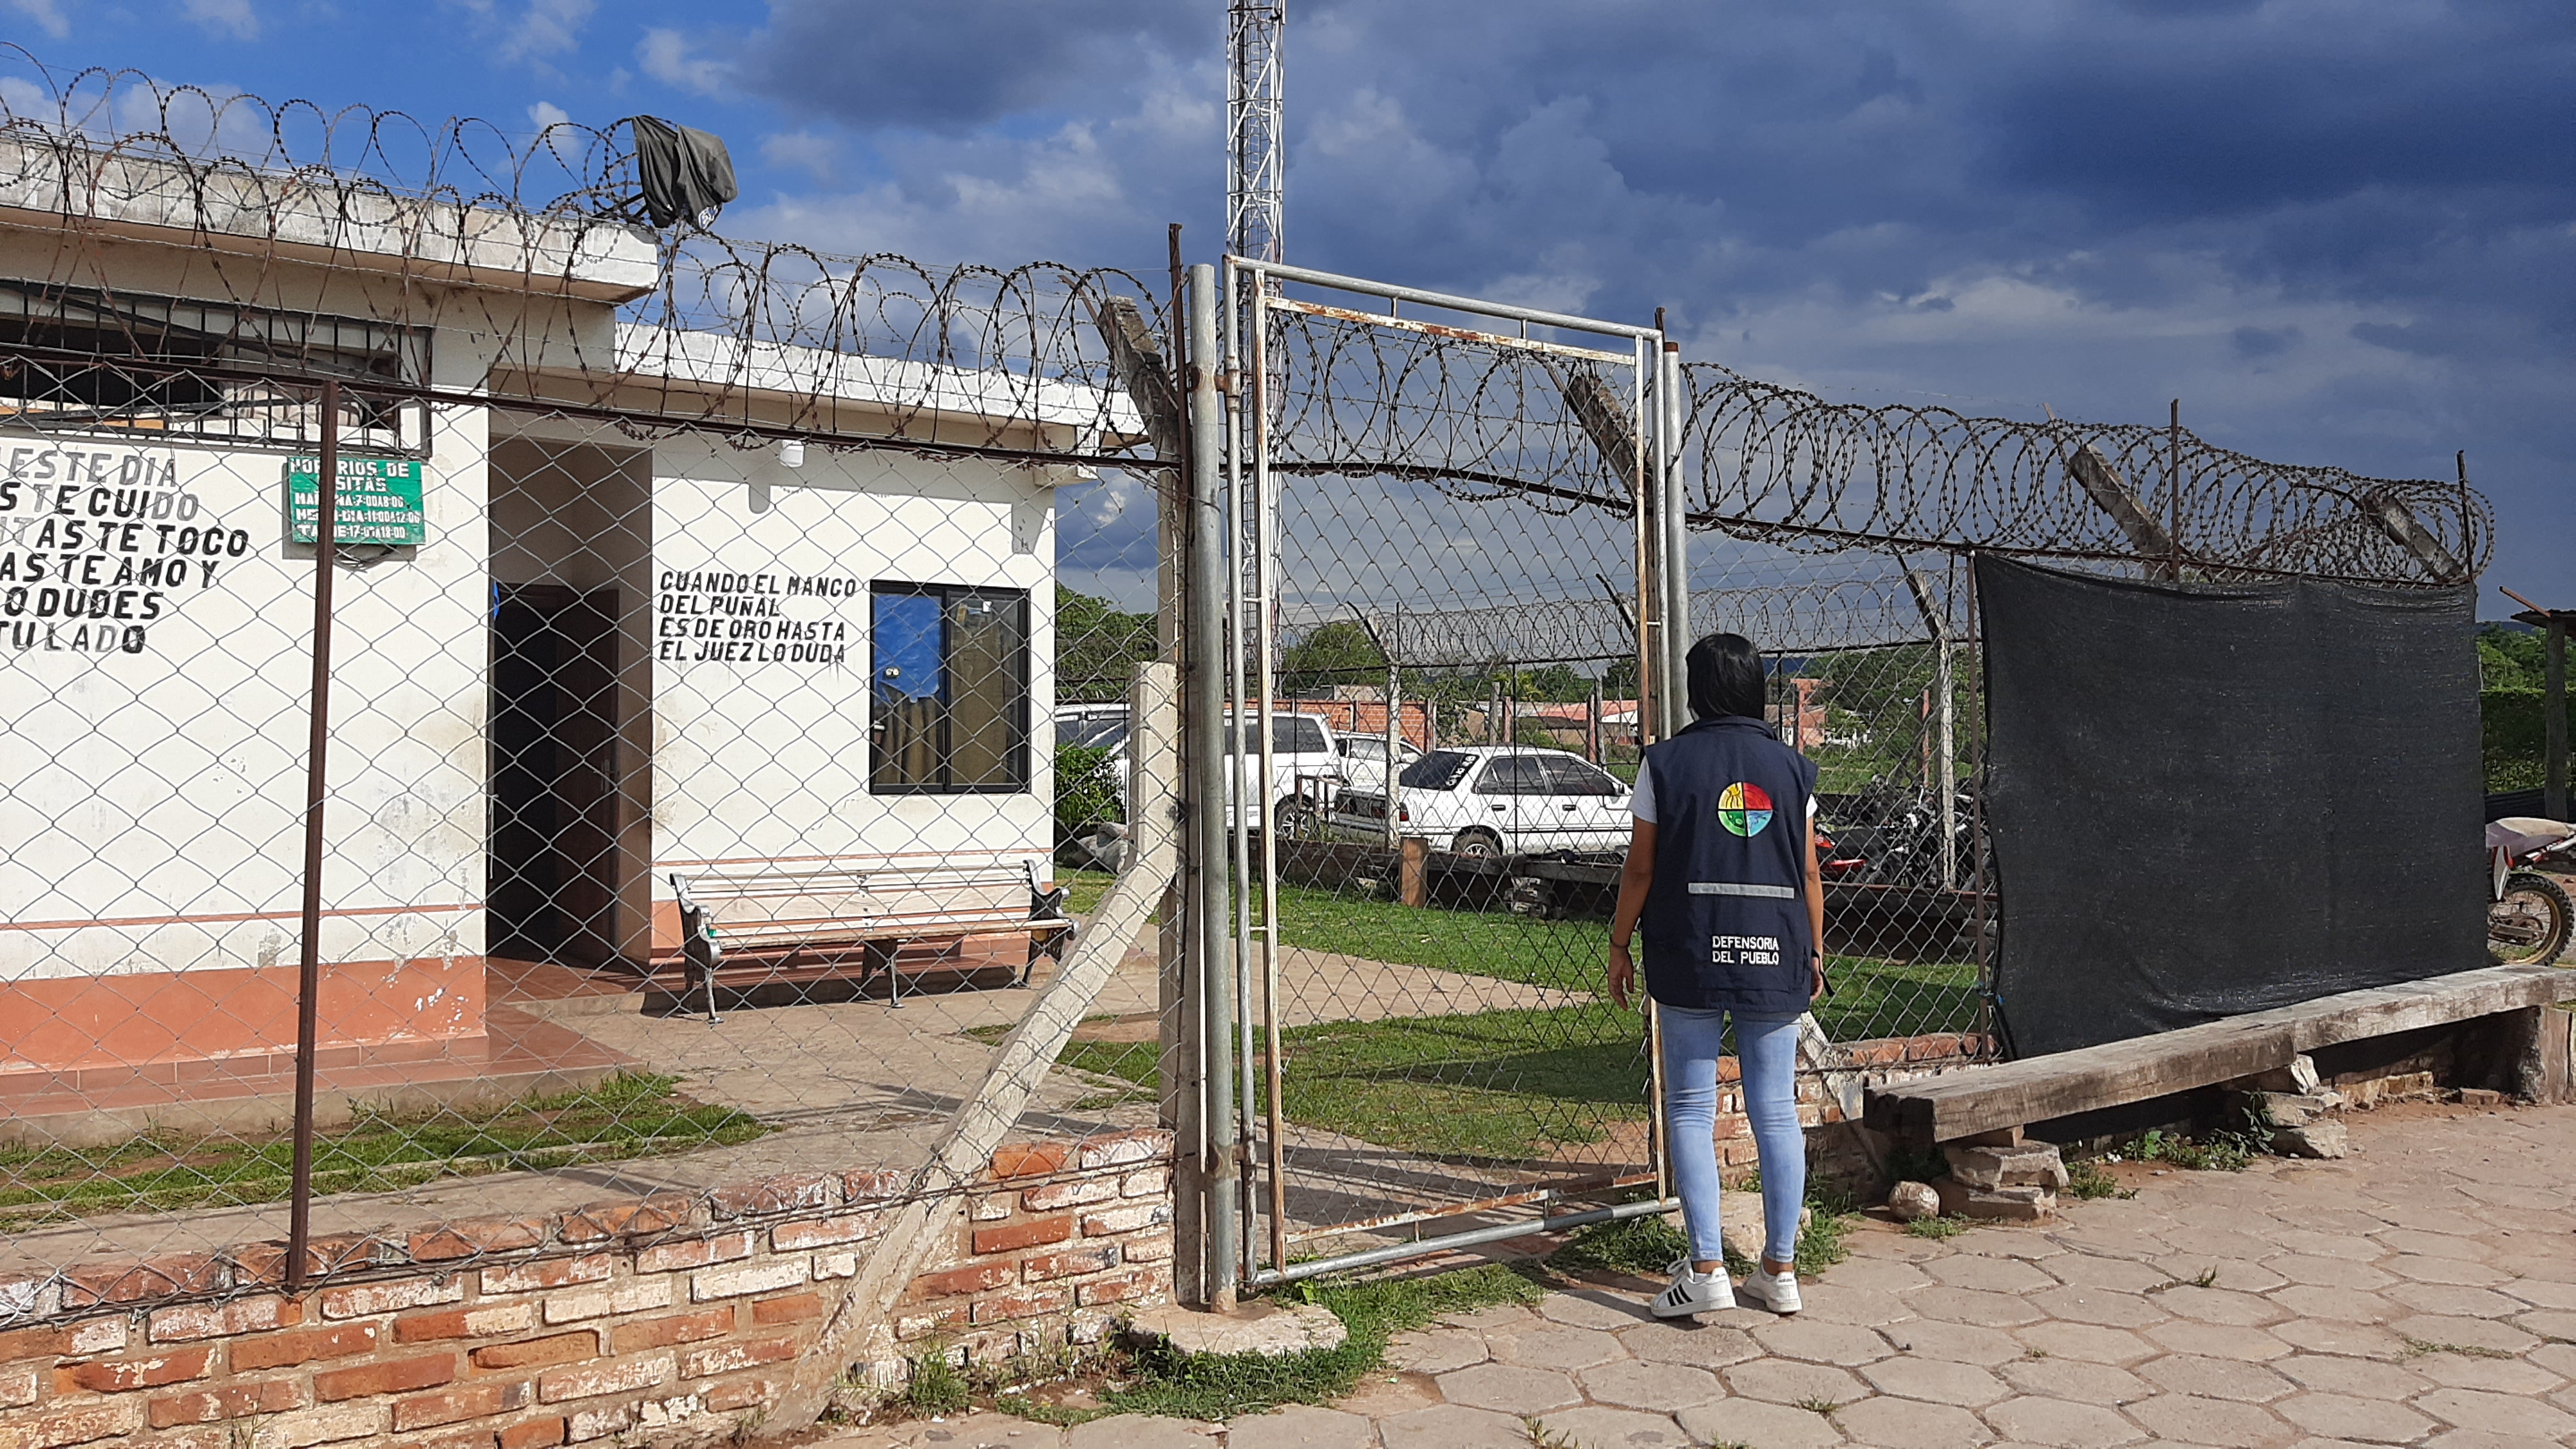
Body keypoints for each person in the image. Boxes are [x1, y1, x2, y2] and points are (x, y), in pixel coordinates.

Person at [1606, 632, 1826, 1318]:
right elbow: (1810, 870)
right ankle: (1780, 1271)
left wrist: (1619, 946)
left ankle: (1705, 1269)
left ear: (1697, 689)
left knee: (1692, 1108)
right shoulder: (1793, 770)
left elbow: (1640, 868)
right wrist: (1814, 951)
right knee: (1774, 1111)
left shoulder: (1665, 763)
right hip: (1777, 950)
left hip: (1690, 950)